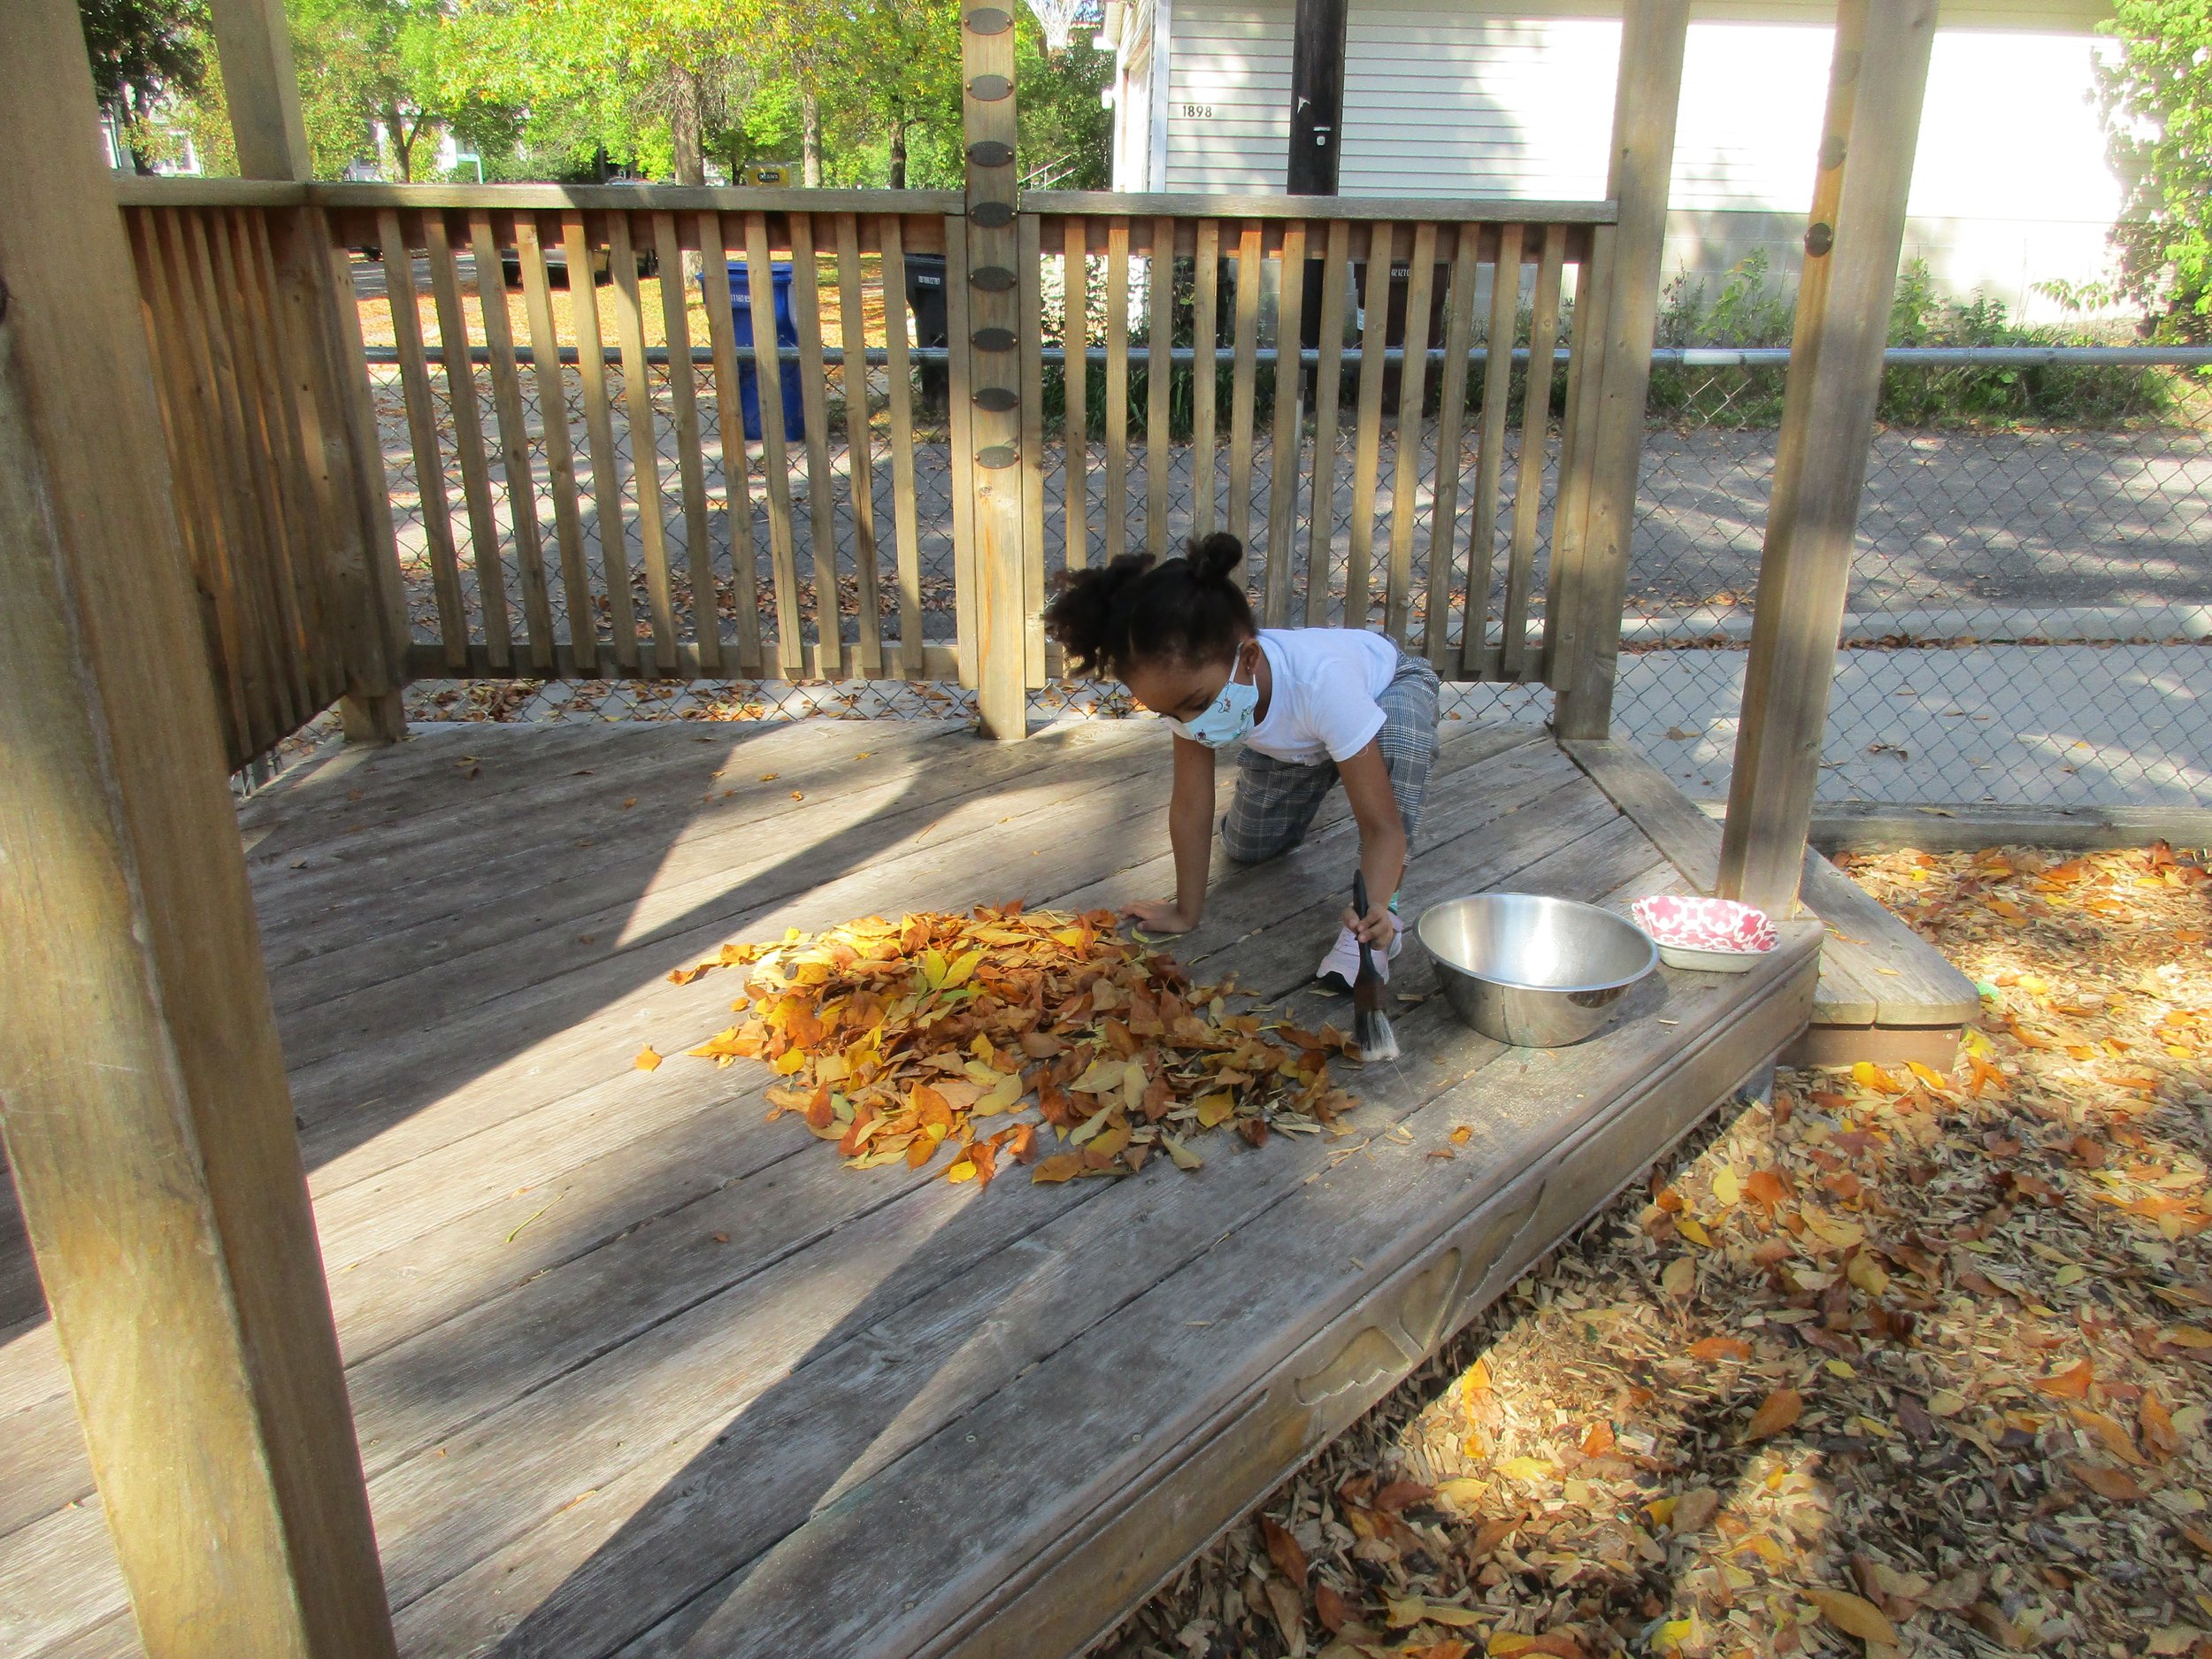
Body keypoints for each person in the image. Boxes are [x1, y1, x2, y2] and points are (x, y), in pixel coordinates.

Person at [1042, 531, 1440, 988]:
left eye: (1196, 704)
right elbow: (1191, 805)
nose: (1189, 724)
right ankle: (1340, 757)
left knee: (1399, 747)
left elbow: (1383, 828)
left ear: (1249, 657)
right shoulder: (1190, 691)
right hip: (1306, 737)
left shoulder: (1323, 685)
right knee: (1247, 846)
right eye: (1169, 713)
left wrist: (1375, 907)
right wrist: (1185, 911)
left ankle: (1378, 930)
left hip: (1386, 688)